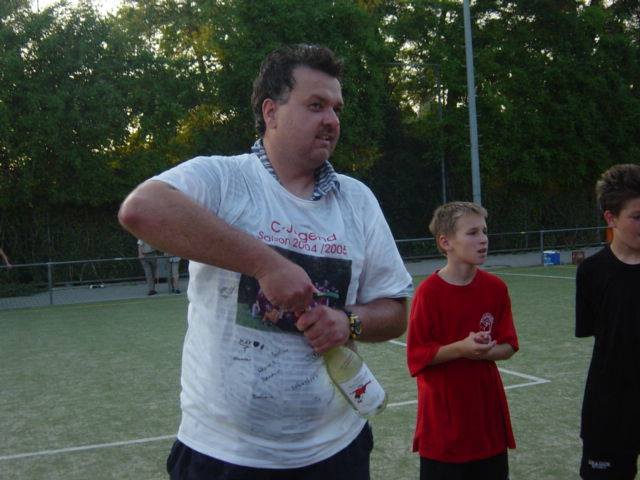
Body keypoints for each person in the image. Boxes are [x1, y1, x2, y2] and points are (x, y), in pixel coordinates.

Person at [118, 44, 412, 480]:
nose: (331, 120)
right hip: (222, 456)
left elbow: (395, 311)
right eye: (316, 105)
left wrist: (347, 322)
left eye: (336, 109)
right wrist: (265, 265)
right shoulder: (224, 178)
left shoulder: (358, 200)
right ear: (271, 112)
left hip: (337, 451)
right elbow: (141, 210)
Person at [406, 201, 519, 480]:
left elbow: (509, 345)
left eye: (484, 231)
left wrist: (485, 350)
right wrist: (462, 348)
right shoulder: (428, 293)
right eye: (472, 233)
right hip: (443, 428)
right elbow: (417, 356)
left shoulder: (495, 288)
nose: (483, 239)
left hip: (487, 424)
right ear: (445, 242)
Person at [575, 163, 640, 480]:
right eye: (637, 216)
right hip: (608, 409)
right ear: (610, 218)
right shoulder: (591, 272)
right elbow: (596, 332)